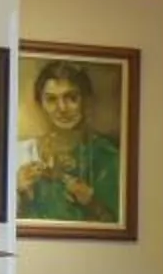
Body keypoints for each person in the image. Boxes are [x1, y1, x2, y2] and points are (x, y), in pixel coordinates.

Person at [18, 60, 125, 225]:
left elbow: (122, 224)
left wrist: (92, 203)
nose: (62, 108)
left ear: (86, 100)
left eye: (71, 97)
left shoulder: (107, 155)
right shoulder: (24, 152)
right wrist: (18, 191)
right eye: (51, 99)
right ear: (41, 104)